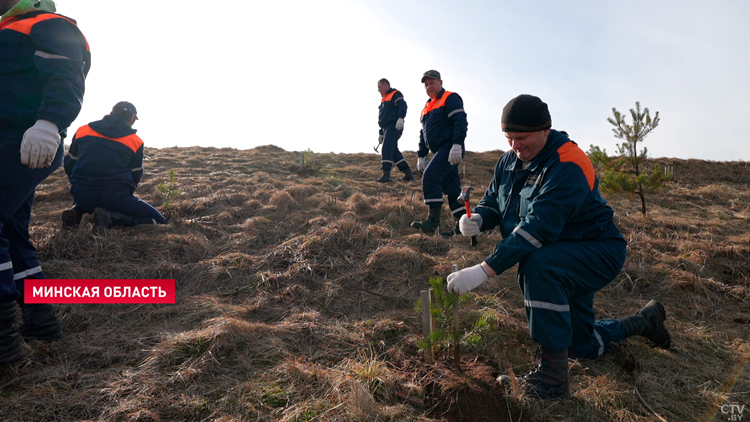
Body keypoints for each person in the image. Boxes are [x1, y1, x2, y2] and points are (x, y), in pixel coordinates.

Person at [446, 94, 671, 399]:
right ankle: (644, 321)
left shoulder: (569, 163)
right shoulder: (509, 161)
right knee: (581, 346)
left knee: (538, 265)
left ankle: (552, 379)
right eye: (509, 138)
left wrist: (484, 270)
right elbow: (494, 202)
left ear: (545, 130)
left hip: (595, 251)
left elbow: (538, 228)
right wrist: (479, 218)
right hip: (561, 253)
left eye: (521, 137)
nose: (515, 145)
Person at [0, 0, 91, 364]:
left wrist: (50, 122)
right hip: (14, 140)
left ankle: (4, 348)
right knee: (11, 234)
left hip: (23, 140)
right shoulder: (10, 27)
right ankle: (39, 322)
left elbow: (67, 74)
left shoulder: (47, 23)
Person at [62, 102, 168, 231]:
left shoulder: (83, 130)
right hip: (115, 196)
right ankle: (113, 218)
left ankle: (77, 210)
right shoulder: (135, 141)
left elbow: (69, 162)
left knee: (86, 198)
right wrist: (124, 195)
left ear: (112, 112)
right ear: (133, 117)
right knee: (160, 220)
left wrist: (78, 184)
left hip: (82, 193)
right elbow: (136, 174)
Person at [410, 70, 468, 236]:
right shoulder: (426, 107)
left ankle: (433, 221)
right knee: (452, 187)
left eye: (432, 83)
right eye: (426, 84)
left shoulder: (450, 98)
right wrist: (421, 155)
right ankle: (462, 225)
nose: (429, 87)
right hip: (439, 151)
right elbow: (423, 134)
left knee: (430, 177)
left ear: (440, 83)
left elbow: (460, 121)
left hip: (450, 148)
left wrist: (457, 144)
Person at [376, 78, 413, 182]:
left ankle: (386, 174)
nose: (378, 90)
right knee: (393, 151)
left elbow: (403, 105)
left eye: (379, 87)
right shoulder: (384, 99)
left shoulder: (395, 94)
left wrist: (401, 118)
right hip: (386, 127)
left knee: (387, 147)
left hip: (394, 125)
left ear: (385, 85)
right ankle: (408, 173)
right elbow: (383, 118)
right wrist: (381, 132)